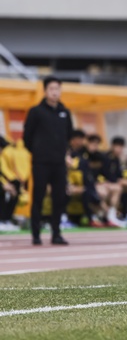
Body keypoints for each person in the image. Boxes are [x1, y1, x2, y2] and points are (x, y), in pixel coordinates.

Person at [23, 76, 72, 246]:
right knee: (38, 197)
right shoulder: (36, 111)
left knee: (59, 198)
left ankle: (56, 234)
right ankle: (36, 235)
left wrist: (65, 154)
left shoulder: (65, 112)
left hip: (59, 164)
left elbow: (68, 136)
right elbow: (27, 137)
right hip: (41, 163)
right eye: (51, 89)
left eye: (57, 89)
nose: (55, 92)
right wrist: (38, 152)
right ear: (45, 91)